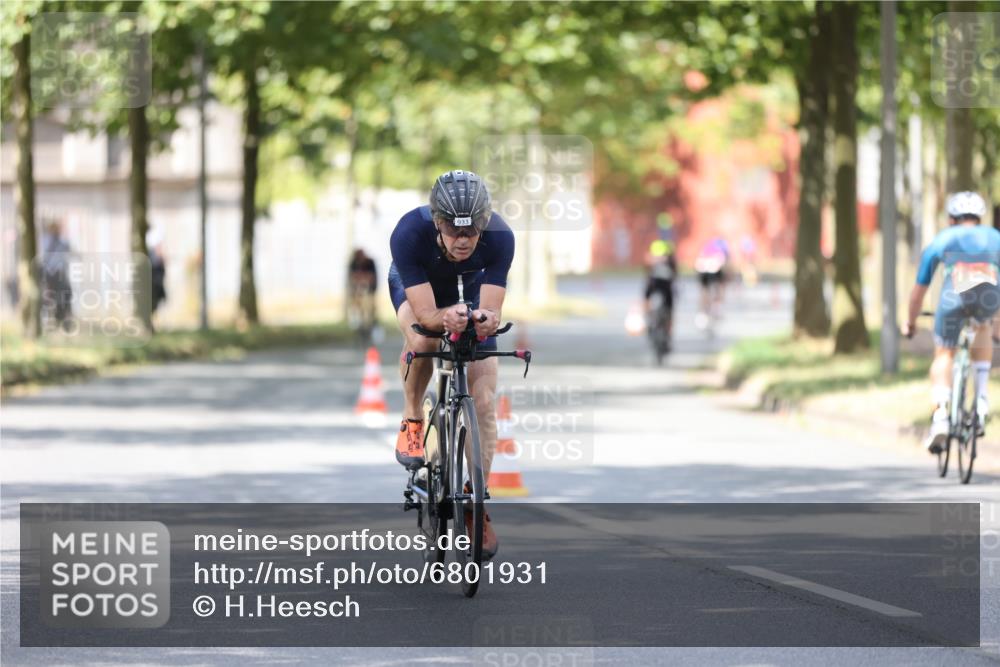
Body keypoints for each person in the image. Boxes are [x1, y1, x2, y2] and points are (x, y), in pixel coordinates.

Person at [387, 169, 514, 558]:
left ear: (484, 223)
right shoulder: (409, 233)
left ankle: (476, 504)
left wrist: (485, 320)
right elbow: (426, 316)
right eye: (453, 230)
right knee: (424, 338)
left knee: (486, 401)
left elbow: (491, 310)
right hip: (420, 287)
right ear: (437, 222)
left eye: (472, 231)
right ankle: (412, 417)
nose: (463, 240)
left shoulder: (500, 237)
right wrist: (444, 319)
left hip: (471, 290)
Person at [902, 191, 999, 453]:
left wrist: (910, 323)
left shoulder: (943, 238)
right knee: (983, 327)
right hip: (989, 295)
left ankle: (941, 415)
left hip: (952, 295)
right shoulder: (995, 237)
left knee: (944, 352)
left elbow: (918, 292)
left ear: (951, 218)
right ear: (979, 218)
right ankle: (981, 400)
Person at [643, 239, 677, 345]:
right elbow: (675, 275)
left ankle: (650, 319)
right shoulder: (669, 260)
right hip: (661, 286)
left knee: (667, 309)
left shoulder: (652, 260)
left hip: (660, 286)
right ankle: (650, 319)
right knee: (669, 309)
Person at [694, 235, 729, 329]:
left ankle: (704, 312)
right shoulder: (719, 248)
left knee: (705, 290)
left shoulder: (708, 248)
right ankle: (715, 307)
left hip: (707, 270)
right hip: (712, 270)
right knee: (717, 288)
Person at [347, 248, 377, 340]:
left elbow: (372, 278)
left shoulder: (369, 263)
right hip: (357, 292)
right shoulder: (353, 263)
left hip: (368, 291)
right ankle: (360, 331)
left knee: (368, 312)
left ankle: (367, 330)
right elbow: (352, 278)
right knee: (358, 312)